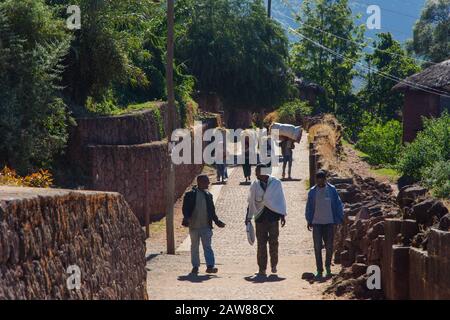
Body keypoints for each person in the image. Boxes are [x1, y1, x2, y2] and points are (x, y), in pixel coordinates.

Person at [246, 164, 287, 276]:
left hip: (273, 218)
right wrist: (248, 217)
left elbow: (280, 199)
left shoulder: (276, 183)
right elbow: (251, 202)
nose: (256, 174)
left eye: (257, 172)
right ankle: (262, 268)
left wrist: (282, 215)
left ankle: (274, 265)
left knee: (274, 242)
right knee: (261, 244)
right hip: (260, 218)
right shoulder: (255, 185)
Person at [182, 175, 226, 274]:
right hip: (194, 226)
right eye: (206, 181)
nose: (208, 183)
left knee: (207, 246)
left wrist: (217, 221)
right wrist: (186, 218)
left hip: (206, 226)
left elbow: (212, 211)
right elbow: (185, 209)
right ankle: (195, 266)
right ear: (200, 182)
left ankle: (210, 266)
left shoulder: (208, 195)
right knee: (194, 247)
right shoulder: (190, 195)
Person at [305, 170, 344, 279]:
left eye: (322, 180)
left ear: (325, 179)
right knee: (317, 248)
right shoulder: (312, 192)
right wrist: (309, 220)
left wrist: (339, 219)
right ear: (316, 180)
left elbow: (338, 204)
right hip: (316, 223)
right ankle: (319, 270)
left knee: (329, 247)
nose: (320, 182)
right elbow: (309, 207)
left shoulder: (332, 190)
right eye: (318, 180)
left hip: (329, 223)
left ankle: (328, 268)